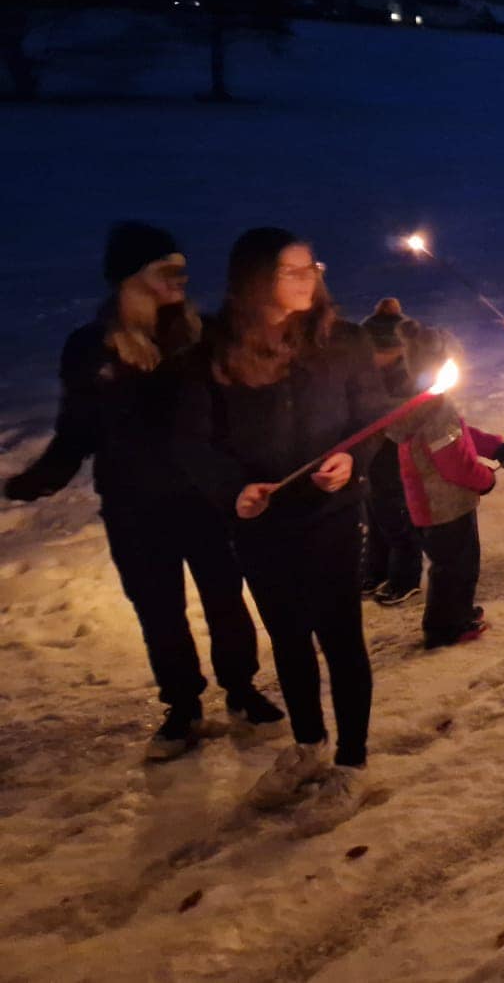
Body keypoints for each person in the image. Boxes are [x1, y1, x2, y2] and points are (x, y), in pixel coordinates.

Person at [4, 222, 279, 761]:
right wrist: (36, 480)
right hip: (133, 506)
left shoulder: (200, 336)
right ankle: (182, 707)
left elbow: (239, 406)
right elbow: (77, 429)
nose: (181, 278)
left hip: (205, 496)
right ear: (131, 277)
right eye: (165, 270)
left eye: (182, 268)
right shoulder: (90, 348)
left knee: (225, 597)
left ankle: (242, 690)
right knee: (159, 610)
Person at [174, 227, 392, 832]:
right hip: (262, 522)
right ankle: (308, 743)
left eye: (311, 268)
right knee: (289, 638)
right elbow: (195, 439)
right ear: (254, 282)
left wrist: (353, 461)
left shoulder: (342, 342)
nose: (309, 280)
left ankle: (351, 761)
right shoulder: (214, 355)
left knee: (340, 636)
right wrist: (230, 489)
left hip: (331, 516)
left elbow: (371, 417)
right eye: (292, 271)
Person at [384, 324, 504, 649]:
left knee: (454, 565)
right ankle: (445, 627)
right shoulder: (433, 412)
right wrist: (486, 478)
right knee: (455, 568)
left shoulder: (422, 404)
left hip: (433, 506)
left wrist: (496, 448)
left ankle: (457, 612)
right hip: (446, 507)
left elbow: (461, 434)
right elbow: (454, 462)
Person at [357, 300, 424, 605]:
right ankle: (375, 568)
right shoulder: (364, 371)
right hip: (370, 454)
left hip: (395, 453)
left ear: (397, 349)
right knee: (374, 511)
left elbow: (414, 411)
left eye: (377, 351)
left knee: (396, 514)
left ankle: (405, 576)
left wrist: (381, 414)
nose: (371, 357)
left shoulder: (409, 372)